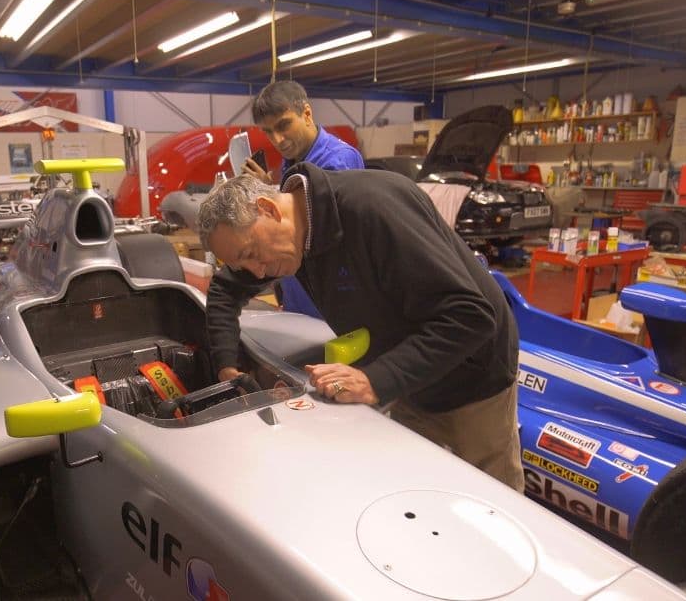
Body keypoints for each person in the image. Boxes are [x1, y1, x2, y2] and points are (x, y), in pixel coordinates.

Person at [198, 164, 523, 492]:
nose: (257, 273)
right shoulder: (283, 238)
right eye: (244, 264)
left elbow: (471, 315)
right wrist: (228, 365)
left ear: (269, 209)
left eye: (251, 255)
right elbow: (225, 289)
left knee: (496, 507)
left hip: (474, 376)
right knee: (422, 492)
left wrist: (377, 379)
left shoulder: (373, 208)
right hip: (413, 375)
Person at [241, 80, 363, 318]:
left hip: (330, 302)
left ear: (306, 113)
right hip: (299, 295)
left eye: (284, 125)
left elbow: (313, 230)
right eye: (268, 131)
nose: (277, 139)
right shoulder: (294, 159)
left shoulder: (338, 161)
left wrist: (269, 194)